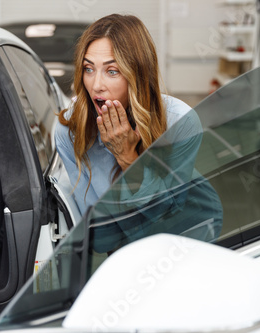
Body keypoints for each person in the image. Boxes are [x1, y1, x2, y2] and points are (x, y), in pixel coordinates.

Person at [55, 14, 222, 252]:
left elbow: (164, 219)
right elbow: (102, 235)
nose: (96, 85)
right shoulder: (69, 129)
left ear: (138, 74)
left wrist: (127, 157)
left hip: (189, 228)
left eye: (112, 71)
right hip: (128, 246)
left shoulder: (180, 122)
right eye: (88, 69)